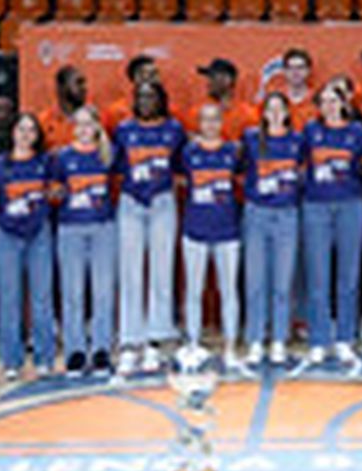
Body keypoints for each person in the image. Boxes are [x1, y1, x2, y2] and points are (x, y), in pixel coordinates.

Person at [114, 81, 185, 374]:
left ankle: (157, 338)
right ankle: (131, 341)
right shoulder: (123, 130)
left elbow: (182, 166)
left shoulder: (174, 130)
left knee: (161, 270)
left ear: (161, 99)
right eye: (140, 96)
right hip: (131, 202)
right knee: (130, 272)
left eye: (151, 96)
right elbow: (116, 165)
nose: (145, 101)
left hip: (162, 202)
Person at [301, 83, 362, 366]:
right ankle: (319, 339)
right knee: (318, 276)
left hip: (350, 205)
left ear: (344, 104)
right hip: (316, 205)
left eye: (334, 100)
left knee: (348, 275)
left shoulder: (357, 132)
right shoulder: (310, 132)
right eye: (324, 101)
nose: (329, 106)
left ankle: (345, 338)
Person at [240, 92, 305, 366]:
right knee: (256, 281)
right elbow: (239, 170)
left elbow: (304, 173)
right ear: (264, 113)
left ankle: (279, 338)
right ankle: (255, 338)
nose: (276, 113)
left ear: (288, 113)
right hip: (257, 214)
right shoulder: (252, 138)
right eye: (271, 109)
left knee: (282, 281)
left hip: (287, 214)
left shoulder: (298, 141)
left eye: (281, 108)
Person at [51, 106, 116, 376]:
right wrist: (58, 193)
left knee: (103, 292)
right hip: (71, 229)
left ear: (98, 126)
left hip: (103, 228)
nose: (84, 129)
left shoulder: (108, 155)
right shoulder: (63, 157)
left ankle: (101, 350)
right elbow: (54, 192)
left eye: (89, 123)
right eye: (79, 124)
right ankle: (75, 352)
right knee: (73, 293)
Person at [0, 113, 54, 381]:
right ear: (12, 133)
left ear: (37, 136)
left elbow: (56, 192)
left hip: (39, 233)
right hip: (7, 235)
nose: (25, 135)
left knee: (41, 298)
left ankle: (44, 358)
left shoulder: (46, 163)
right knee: (9, 299)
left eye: (31, 130)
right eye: (21, 129)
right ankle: (11, 361)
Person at [179, 102, 242, 367]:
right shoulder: (188, 153)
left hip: (228, 230)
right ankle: (193, 343)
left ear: (222, 122)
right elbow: (180, 181)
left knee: (229, 291)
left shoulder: (233, 152)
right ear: (199, 124)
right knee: (194, 291)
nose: (211, 125)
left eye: (215, 119)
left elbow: (242, 182)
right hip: (195, 229)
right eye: (205, 120)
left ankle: (230, 347)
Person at [197, 58, 258, 141]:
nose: (208, 82)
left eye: (212, 77)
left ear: (227, 80)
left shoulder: (247, 115)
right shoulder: (202, 110)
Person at [103, 55, 161, 131]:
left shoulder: (172, 111)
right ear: (137, 77)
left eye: (157, 74)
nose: (157, 80)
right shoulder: (115, 112)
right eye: (152, 74)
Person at [38, 65, 89, 150]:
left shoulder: (93, 121)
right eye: (78, 83)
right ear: (62, 88)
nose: (84, 88)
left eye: (84, 83)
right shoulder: (43, 121)